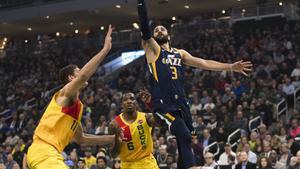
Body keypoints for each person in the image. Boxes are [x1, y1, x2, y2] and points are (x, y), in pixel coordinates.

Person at [136, 0, 253, 168]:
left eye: (162, 29)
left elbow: (204, 63)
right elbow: (145, 28)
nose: (159, 30)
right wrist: (141, 4)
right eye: (156, 30)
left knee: (186, 139)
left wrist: (230, 67)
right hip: (163, 102)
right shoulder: (153, 49)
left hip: (181, 101)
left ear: (169, 35)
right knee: (182, 133)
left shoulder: (180, 53)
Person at [27, 25, 118, 169]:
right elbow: (82, 77)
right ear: (71, 78)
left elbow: (82, 139)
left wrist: (113, 139)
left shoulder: (77, 106)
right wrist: (105, 49)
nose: (82, 72)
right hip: (43, 151)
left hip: (48, 154)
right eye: (79, 70)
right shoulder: (64, 94)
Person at [108, 92, 158, 169]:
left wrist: (151, 104)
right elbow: (113, 154)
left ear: (136, 103)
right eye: (125, 100)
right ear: (121, 104)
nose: (129, 101)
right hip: (127, 165)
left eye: (132, 99)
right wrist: (117, 142)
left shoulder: (146, 117)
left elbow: (161, 121)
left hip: (148, 163)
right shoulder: (114, 125)